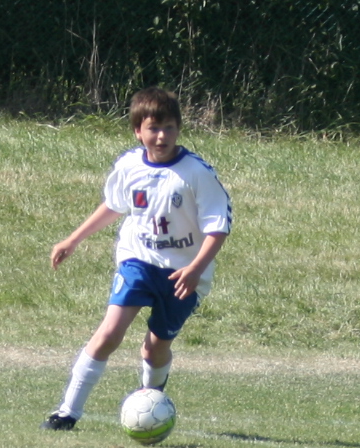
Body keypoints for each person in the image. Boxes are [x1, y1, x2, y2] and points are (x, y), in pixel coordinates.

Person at [42, 86, 230, 430]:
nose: (161, 136)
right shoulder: (129, 165)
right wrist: (73, 239)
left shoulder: (196, 173)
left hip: (183, 273)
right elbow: (114, 205)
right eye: (153, 128)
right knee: (109, 333)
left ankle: (151, 399)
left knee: (154, 349)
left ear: (179, 129)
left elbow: (218, 227)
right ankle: (67, 413)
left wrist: (195, 268)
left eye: (169, 128)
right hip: (138, 260)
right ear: (137, 131)